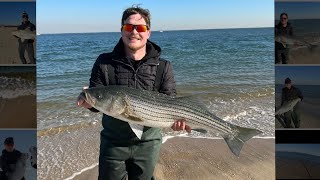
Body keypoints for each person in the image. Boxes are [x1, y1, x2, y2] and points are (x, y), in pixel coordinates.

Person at [77, 6, 191, 180]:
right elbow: (99, 100)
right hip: (113, 142)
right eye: (129, 27)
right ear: (122, 30)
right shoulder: (104, 62)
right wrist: (89, 103)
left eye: (141, 28)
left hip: (148, 142)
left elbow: (170, 100)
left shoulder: (164, 66)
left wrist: (178, 121)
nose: (134, 32)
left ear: (149, 32)